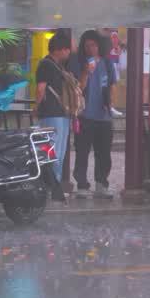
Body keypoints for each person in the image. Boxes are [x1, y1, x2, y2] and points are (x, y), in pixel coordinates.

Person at [68, 30, 117, 199]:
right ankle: (82, 185)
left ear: (99, 46)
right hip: (85, 115)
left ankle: (101, 184)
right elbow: (78, 88)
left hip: (103, 115)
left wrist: (110, 102)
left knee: (104, 152)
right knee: (82, 151)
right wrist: (86, 71)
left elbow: (111, 84)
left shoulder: (107, 63)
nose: (91, 49)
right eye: (87, 45)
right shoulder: (79, 62)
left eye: (94, 45)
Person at [34, 31, 77, 203]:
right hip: (56, 115)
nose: (68, 52)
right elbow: (40, 89)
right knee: (53, 152)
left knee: (52, 151)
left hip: (56, 115)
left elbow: (41, 89)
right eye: (66, 49)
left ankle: (52, 187)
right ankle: (52, 187)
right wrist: (37, 106)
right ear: (58, 49)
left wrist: (36, 108)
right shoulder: (49, 65)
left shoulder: (52, 65)